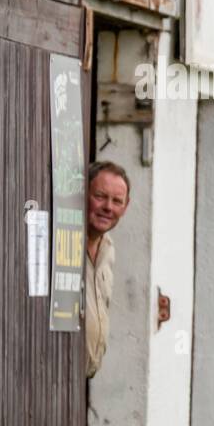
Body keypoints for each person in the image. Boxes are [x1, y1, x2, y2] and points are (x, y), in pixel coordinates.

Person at [85, 160, 131, 378]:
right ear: (83, 194)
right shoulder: (63, 241)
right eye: (100, 196)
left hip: (79, 383)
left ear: (126, 206)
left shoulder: (108, 249)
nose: (108, 207)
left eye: (117, 201)